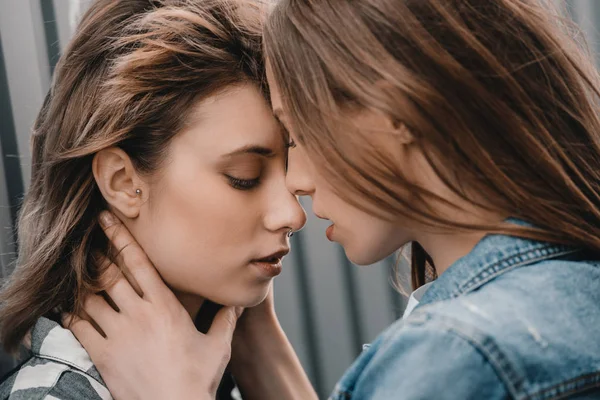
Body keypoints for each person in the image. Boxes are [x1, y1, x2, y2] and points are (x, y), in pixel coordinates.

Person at [69, 0, 600, 399]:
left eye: (297, 135)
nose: (295, 190)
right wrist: (261, 345)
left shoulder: (458, 356)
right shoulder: (568, 293)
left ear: (390, 114)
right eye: (246, 174)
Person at [0, 0, 306, 399]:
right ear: (124, 181)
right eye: (243, 178)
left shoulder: (212, 373)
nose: (293, 215)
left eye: (288, 169)